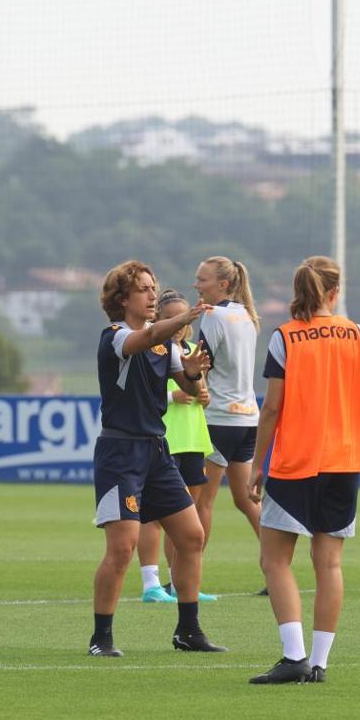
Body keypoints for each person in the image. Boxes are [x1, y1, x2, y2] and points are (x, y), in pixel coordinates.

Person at [247, 257, 360, 684]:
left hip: (298, 460)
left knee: (274, 560)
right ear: (334, 292)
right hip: (345, 460)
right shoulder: (358, 334)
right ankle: (319, 664)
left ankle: (294, 657)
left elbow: (272, 407)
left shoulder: (286, 336)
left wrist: (257, 464)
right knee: (329, 564)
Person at [89, 260, 225, 657]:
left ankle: (188, 631)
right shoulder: (115, 337)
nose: (152, 294)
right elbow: (145, 338)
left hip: (156, 451)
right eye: (144, 289)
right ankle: (101, 637)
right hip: (120, 453)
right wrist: (184, 317)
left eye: (153, 288)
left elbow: (189, 386)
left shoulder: (165, 344)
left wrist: (194, 373)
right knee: (122, 549)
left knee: (192, 536)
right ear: (122, 299)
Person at [191, 256, 266, 595]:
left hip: (220, 418)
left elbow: (200, 365)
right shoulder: (247, 314)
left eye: (202, 280)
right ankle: (276, 567)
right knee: (245, 499)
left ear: (222, 284)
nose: (196, 285)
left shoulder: (212, 315)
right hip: (248, 418)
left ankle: (188, 579)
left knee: (202, 502)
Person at [137, 289, 215, 604]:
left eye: (183, 318)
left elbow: (201, 393)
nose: (179, 325)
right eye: (171, 318)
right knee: (154, 516)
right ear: (159, 319)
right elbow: (143, 393)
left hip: (193, 438)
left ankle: (179, 584)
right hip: (166, 438)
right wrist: (173, 396)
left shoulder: (194, 351)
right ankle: (151, 584)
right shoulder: (149, 348)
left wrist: (203, 394)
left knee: (185, 517)